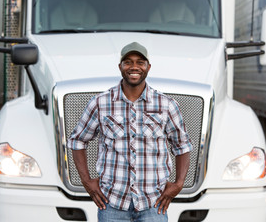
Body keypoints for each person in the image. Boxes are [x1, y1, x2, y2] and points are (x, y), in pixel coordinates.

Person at [68, 42, 193, 221]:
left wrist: (179, 184)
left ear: (148, 67)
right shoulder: (100, 103)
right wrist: (87, 181)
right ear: (120, 67)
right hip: (112, 203)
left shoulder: (166, 104)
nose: (134, 67)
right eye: (128, 62)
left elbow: (182, 145)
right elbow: (77, 140)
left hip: (153, 203)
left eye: (140, 62)